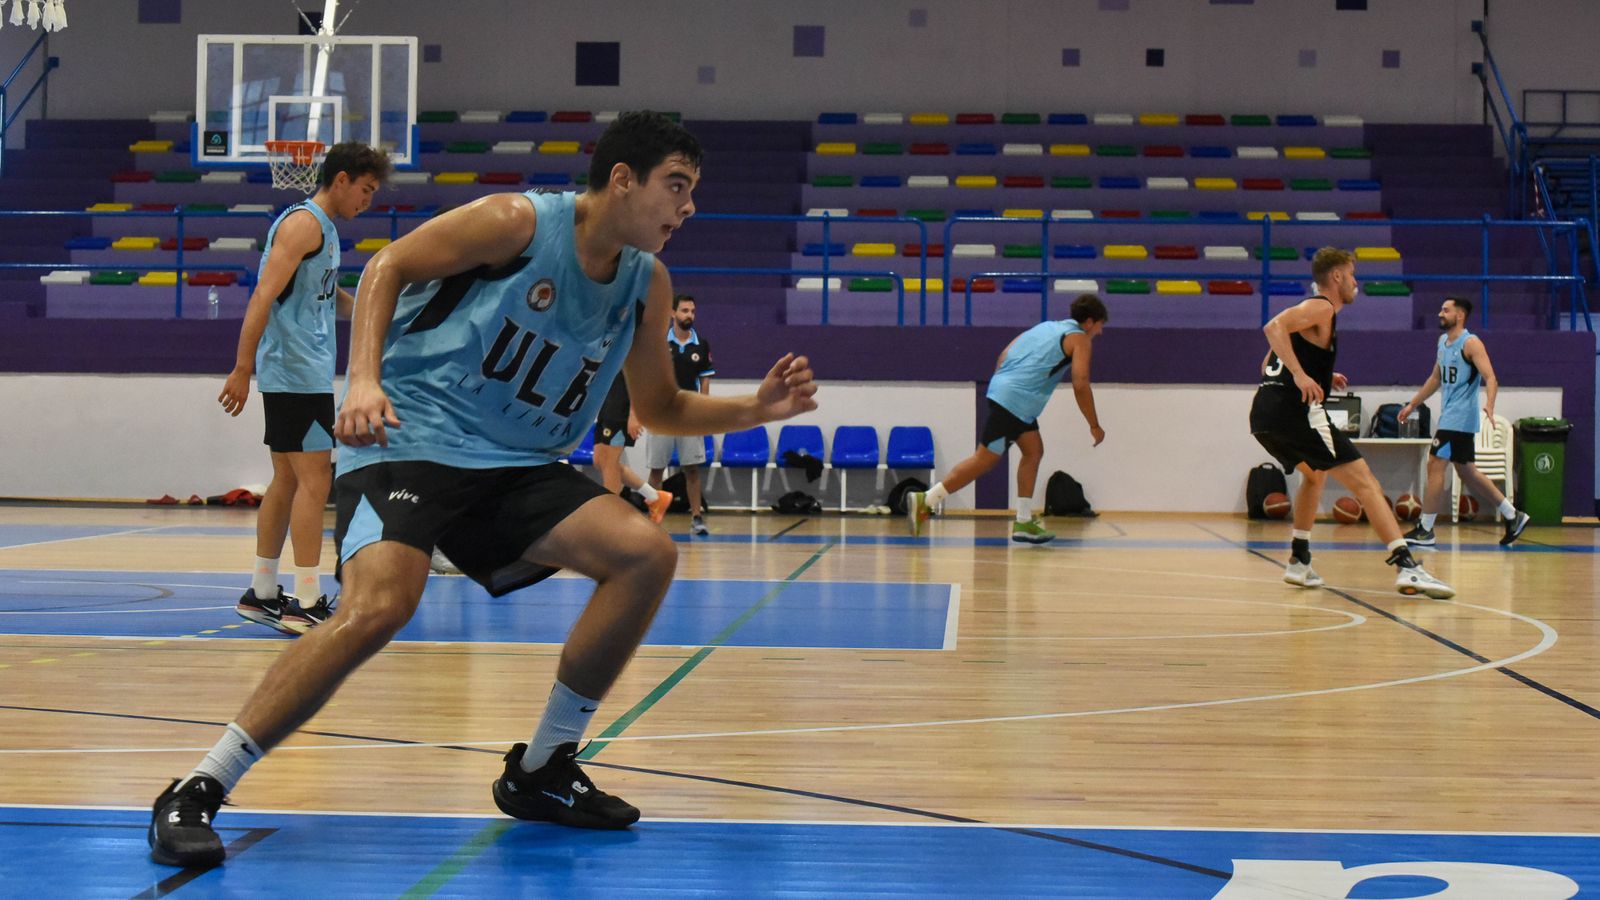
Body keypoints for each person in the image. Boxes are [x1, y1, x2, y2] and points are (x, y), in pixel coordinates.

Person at [149, 111, 818, 868]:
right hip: (414, 438)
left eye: (692, 191)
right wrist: (363, 376)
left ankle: (543, 769)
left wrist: (757, 409)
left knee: (644, 553)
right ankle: (200, 786)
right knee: (380, 607)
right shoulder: (520, 222)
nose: (688, 207)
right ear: (623, 180)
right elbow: (385, 268)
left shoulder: (646, 282)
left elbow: (660, 407)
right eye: (677, 186)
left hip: (518, 465)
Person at [216, 142, 392, 635]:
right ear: (341, 180)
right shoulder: (303, 224)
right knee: (316, 483)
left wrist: (373, 313)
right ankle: (307, 601)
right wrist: (241, 366)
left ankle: (263, 592)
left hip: (298, 373)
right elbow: (263, 294)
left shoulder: (324, 231)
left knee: (289, 481)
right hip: (294, 373)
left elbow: (324, 295)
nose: (368, 200)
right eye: (365, 189)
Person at [1248, 247, 1452, 598]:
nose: (1357, 283)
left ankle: (1298, 560)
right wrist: (1300, 375)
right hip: (1297, 414)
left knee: (1314, 476)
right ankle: (1407, 567)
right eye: (1353, 275)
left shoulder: (1307, 318)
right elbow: (1272, 327)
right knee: (1366, 483)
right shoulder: (1322, 307)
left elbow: (1268, 363)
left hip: (1264, 416)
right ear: (1337, 277)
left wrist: (1319, 375)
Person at [906, 293, 1108, 544]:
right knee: (984, 460)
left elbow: (1004, 354)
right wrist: (1094, 425)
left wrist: (1005, 386)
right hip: (1015, 403)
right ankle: (926, 500)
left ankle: (1023, 521)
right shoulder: (1080, 339)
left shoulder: (1048, 326)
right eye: (1100, 326)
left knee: (1033, 451)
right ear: (1089, 322)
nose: (1099, 333)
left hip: (1012, 399)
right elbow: (1080, 383)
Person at [1397, 296, 1530, 546]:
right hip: (1452, 416)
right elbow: (1435, 378)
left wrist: (1489, 405)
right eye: (1440, 308)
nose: (1440, 313)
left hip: (1459, 417)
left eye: (1445, 310)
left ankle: (1425, 529)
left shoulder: (1471, 343)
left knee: (1435, 462)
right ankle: (1514, 515)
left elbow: (1491, 378)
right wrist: (1413, 403)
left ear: (1459, 315)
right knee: (1466, 470)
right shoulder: (1443, 342)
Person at [646, 293, 715, 535]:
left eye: (693, 311)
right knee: (656, 468)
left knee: (692, 468)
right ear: (672, 313)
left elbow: (704, 382)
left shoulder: (701, 345)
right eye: (685, 311)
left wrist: (704, 413)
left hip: (689, 415)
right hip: (662, 414)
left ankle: (697, 517)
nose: (690, 316)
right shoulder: (657, 341)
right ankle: (654, 518)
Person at [593, 377, 673, 523]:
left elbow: (638, 379)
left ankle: (610, 520)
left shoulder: (631, 353)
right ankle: (655, 497)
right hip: (608, 405)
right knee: (600, 461)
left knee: (610, 464)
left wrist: (634, 414)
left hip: (621, 410)